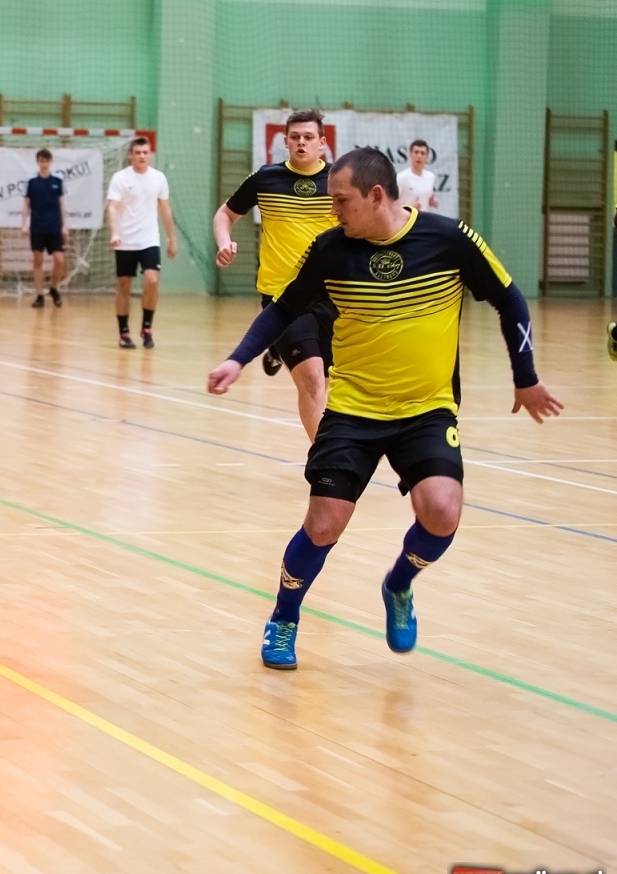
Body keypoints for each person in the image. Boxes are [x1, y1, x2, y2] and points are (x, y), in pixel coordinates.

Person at [207, 147, 562, 671]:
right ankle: (284, 617)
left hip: (427, 409)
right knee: (324, 525)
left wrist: (525, 377)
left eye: (341, 201)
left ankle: (398, 584)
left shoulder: (449, 240)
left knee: (441, 513)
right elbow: (283, 307)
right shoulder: (330, 250)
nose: (333, 212)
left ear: (377, 196)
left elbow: (510, 299)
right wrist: (239, 359)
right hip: (353, 408)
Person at [213, 109, 339, 440]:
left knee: (328, 380)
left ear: (322, 143)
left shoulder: (339, 182)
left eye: (308, 137)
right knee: (311, 379)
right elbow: (224, 214)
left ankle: (275, 348)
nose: (301, 143)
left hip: (333, 295)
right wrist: (225, 242)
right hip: (283, 295)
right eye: (295, 137)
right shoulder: (265, 179)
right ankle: (324, 461)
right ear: (284, 142)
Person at [106, 137, 176, 348]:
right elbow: (112, 208)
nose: (142, 156)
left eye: (145, 152)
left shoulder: (158, 178)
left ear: (150, 154)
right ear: (130, 155)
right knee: (124, 286)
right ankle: (124, 333)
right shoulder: (120, 178)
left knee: (152, 281)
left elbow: (165, 209)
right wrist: (114, 232)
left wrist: (171, 238)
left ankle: (147, 327)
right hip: (126, 240)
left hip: (149, 239)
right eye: (137, 153)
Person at [22, 149, 66, 308]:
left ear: (50, 162)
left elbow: (61, 205)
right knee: (38, 261)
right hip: (38, 226)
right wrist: (25, 223)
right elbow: (27, 205)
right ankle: (39, 295)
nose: (44, 163)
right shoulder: (33, 183)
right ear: (38, 162)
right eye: (41, 160)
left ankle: (54, 288)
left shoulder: (57, 182)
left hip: (54, 227)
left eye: (47, 161)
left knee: (60, 260)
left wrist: (64, 226)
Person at [396, 139, 438, 212]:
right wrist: (409, 208)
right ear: (410, 154)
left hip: (423, 221)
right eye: (416, 152)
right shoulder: (401, 177)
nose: (419, 156)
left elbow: (426, 198)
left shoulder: (431, 177)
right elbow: (392, 205)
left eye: (422, 153)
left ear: (427, 156)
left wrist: (432, 201)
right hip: (406, 221)